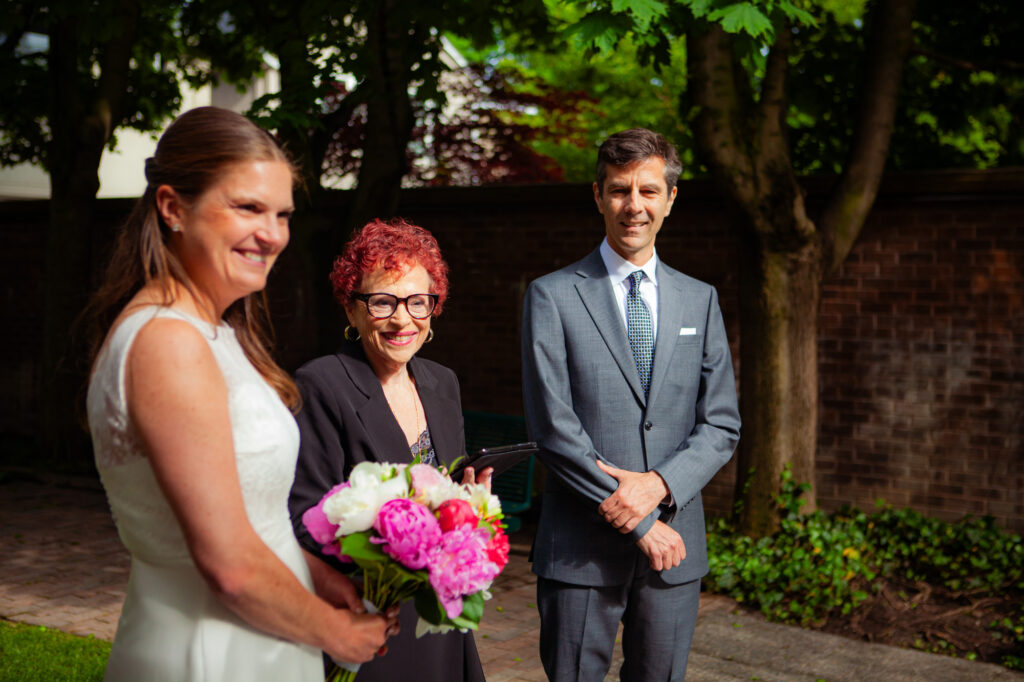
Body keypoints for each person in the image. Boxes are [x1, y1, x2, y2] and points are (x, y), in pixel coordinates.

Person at [84, 106, 394, 681]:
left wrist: (315, 576)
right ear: (173, 207)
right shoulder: (167, 343)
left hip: (259, 639)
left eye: (282, 214)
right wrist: (339, 636)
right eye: (248, 207)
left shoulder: (213, 331)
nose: (273, 234)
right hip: (209, 651)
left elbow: (242, 518)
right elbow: (227, 563)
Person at [521, 128, 741, 681]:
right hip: (579, 548)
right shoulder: (551, 296)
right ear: (598, 196)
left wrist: (659, 485)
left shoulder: (701, 298)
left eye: (648, 190)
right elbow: (552, 428)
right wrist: (639, 520)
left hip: (676, 547)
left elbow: (720, 423)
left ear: (670, 198)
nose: (633, 206)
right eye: (620, 190)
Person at [288, 218, 488, 682]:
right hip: (368, 614)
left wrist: (469, 503)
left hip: (437, 610)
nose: (403, 319)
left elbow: (445, 491)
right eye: (383, 301)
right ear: (351, 308)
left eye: (418, 302)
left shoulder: (443, 383)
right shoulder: (321, 384)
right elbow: (301, 518)